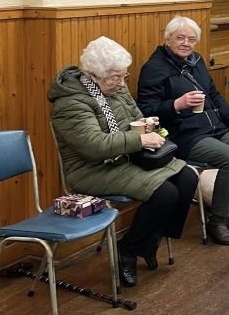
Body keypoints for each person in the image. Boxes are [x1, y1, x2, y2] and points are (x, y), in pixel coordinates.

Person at [49, 36, 197, 288]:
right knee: (165, 193)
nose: (121, 83)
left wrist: (146, 123)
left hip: (124, 157)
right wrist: (139, 139)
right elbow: (94, 146)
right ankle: (127, 250)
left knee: (188, 178)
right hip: (92, 168)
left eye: (123, 76)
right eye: (115, 78)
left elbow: (133, 117)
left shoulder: (115, 87)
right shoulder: (70, 103)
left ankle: (149, 242)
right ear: (93, 75)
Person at [137, 17, 229, 247]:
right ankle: (218, 220)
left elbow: (214, 95)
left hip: (215, 127)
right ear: (167, 39)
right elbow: (146, 110)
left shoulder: (196, 61)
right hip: (184, 135)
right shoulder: (154, 68)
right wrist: (177, 104)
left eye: (191, 39)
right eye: (180, 38)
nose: (186, 43)